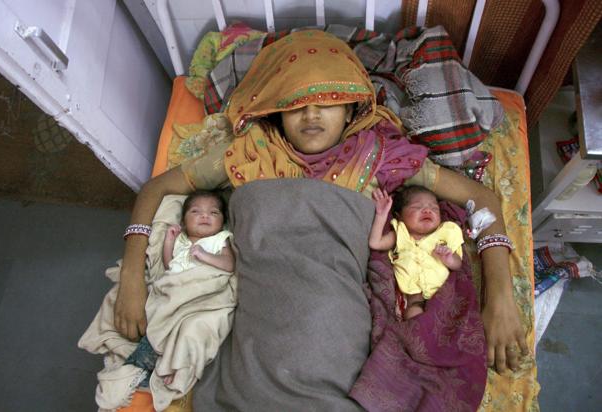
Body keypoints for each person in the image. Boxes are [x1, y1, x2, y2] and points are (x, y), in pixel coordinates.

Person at [113, 29, 528, 410]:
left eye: (326, 102)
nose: (311, 115)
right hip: (260, 342)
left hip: (337, 340)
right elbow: (156, 189)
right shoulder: (248, 155)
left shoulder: (377, 155)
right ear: (276, 112)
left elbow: (481, 197)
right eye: (296, 105)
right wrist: (132, 278)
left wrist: (500, 300)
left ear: (350, 110)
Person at [89, 190, 234, 411]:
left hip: (201, 293)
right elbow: (169, 267)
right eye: (196, 212)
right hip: (172, 292)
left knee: (190, 330)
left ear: (222, 222)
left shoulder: (219, 240)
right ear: (184, 222)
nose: (205, 216)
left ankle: (166, 366)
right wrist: (168, 241)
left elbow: (228, 265)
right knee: (157, 318)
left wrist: (205, 256)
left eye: (213, 212)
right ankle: (147, 365)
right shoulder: (182, 240)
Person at [369, 185, 464, 319]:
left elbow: (458, 264)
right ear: (399, 215)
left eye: (434, 208)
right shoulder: (399, 234)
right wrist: (381, 215)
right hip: (413, 294)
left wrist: (448, 258)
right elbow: (375, 243)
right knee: (414, 310)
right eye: (417, 207)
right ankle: (419, 330)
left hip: (442, 294)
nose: (427, 210)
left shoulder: (444, 234)